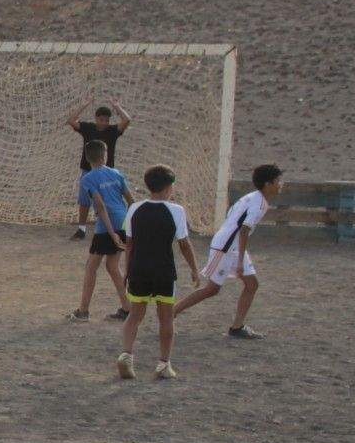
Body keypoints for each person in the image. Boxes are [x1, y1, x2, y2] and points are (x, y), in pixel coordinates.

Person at [176, 163, 281, 339]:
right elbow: (245, 229)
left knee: (252, 284)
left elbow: (233, 217)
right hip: (225, 247)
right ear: (268, 184)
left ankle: (237, 327)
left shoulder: (250, 197)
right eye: (278, 180)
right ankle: (172, 311)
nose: (281, 184)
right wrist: (240, 260)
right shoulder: (260, 203)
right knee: (212, 289)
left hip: (232, 245)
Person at [117, 165, 200, 381]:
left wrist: (127, 270)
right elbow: (184, 244)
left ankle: (126, 354)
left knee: (135, 314)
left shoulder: (134, 208)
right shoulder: (176, 210)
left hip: (139, 269)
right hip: (163, 271)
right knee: (166, 318)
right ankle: (163, 364)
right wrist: (193, 268)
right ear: (169, 187)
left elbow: (130, 245)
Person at [71, 141, 131, 321]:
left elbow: (100, 205)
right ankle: (127, 308)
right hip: (123, 222)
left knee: (91, 267)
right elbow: (131, 200)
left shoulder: (88, 178)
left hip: (107, 226)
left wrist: (111, 232)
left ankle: (83, 311)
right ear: (105, 155)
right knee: (112, 266)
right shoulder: (116, 173)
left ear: (87, 157)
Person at [65, 100, 132, 238]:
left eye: (107, 120)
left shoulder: (113, 131)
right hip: (88, 170)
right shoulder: (88, 128)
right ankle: (81, 229)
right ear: (96, 118)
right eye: (101, 119)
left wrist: (117, 106)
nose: (104, 123)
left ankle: (115, 227)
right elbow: (71, 120)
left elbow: (127, 120)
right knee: (84, 201)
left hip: (106, 172)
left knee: (108, 200)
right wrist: (84, 105)